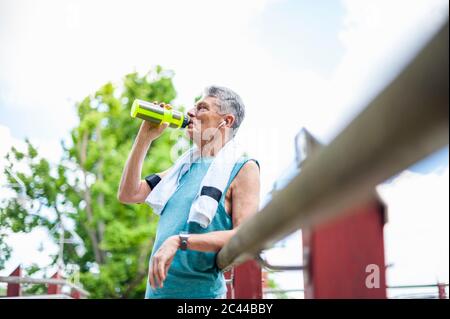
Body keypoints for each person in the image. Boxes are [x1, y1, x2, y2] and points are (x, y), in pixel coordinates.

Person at [118, 86, 260, 299]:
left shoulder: (243, 169)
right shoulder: (181, 169)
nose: (190, 112)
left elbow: (246, 234)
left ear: (227, 121)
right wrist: (145, 137)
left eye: (202, 108)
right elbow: (129, 194)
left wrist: (180, 241)